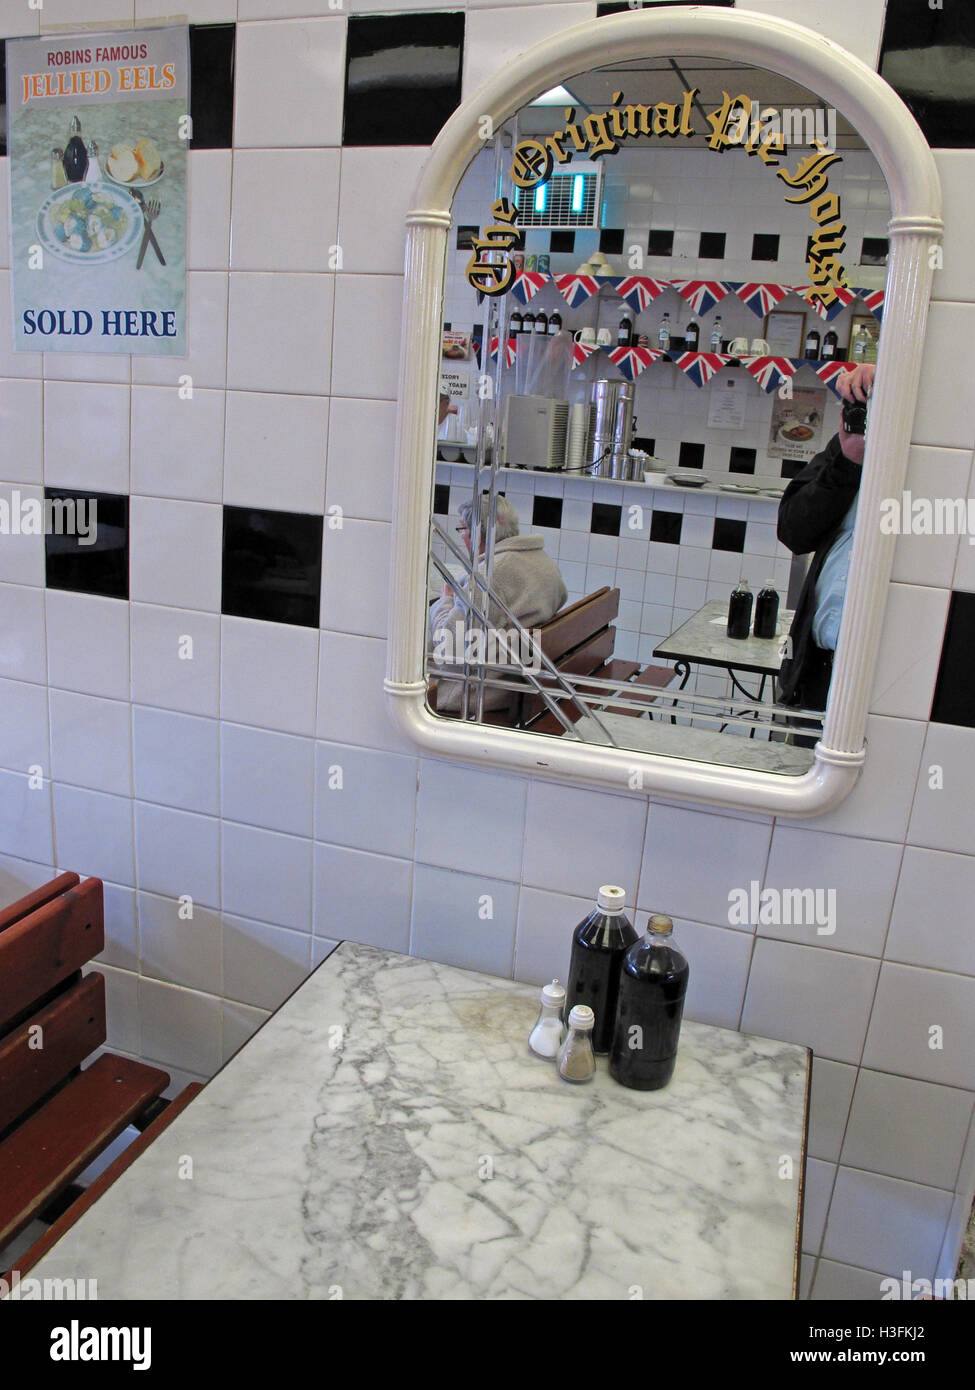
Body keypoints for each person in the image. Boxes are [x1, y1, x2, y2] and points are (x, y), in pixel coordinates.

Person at [776, 362, 874, 717]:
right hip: (818, 666)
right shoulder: (847, 446)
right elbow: (793, 531)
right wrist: (849, 462)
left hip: (884, 678)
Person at [429, 494, 568, 713]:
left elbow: (447, 648)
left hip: (480, 693)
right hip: (520, 681)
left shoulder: (490, 576)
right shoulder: (543, 562)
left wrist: (445, 599)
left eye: (463, 529)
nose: (462, 536)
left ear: (478, 533)